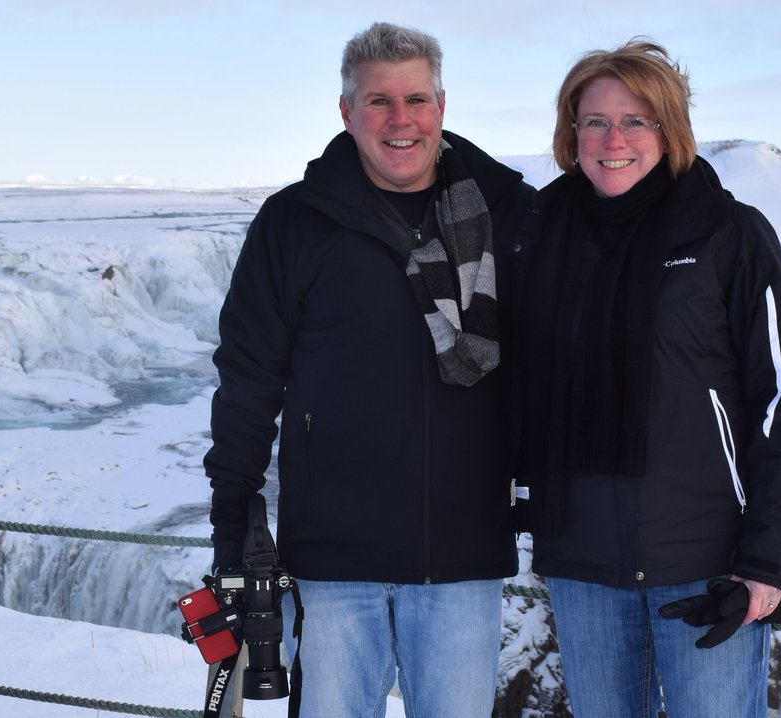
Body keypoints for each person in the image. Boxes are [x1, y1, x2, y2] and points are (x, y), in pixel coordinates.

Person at [203, 21, 534, 717]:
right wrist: (232, 518)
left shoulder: (510, 215)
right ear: (346, 112)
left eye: (416, 99)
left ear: (442, 107)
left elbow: (562, 358)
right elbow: (249, 377)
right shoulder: (293, 223)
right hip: (334, 556)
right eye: (378, 101)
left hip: (464, 551)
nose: (400, 119)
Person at [515, 39, 781, 717]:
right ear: (572, 134)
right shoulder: (539, 239)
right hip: (583, 562)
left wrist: (769, 559)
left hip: (708, 558)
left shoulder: (729, 235)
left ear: (668, 130)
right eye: (593, 120)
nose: (612, 138)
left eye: (635, 120)